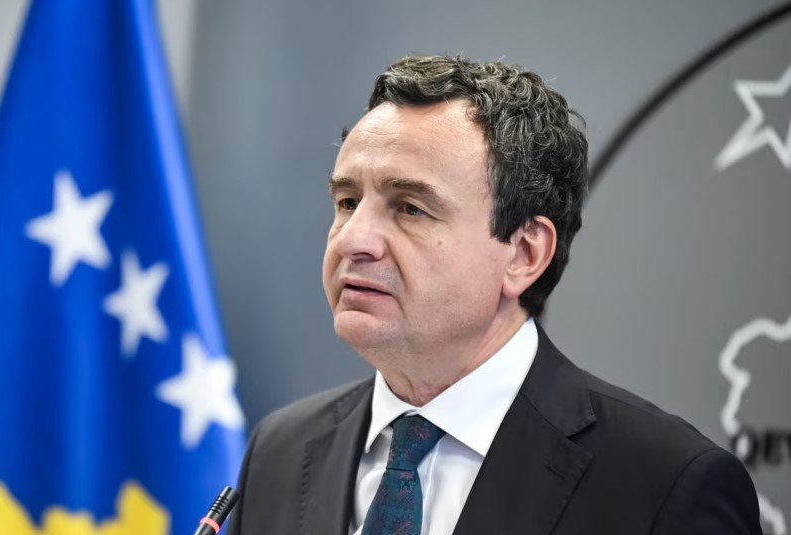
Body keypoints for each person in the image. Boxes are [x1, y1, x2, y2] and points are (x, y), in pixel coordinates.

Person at [226, 55, 762, 535]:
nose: (352, 240)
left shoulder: (666, 485)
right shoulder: (282, 449)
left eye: (410, 208)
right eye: (347, 201)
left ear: (524, 254)